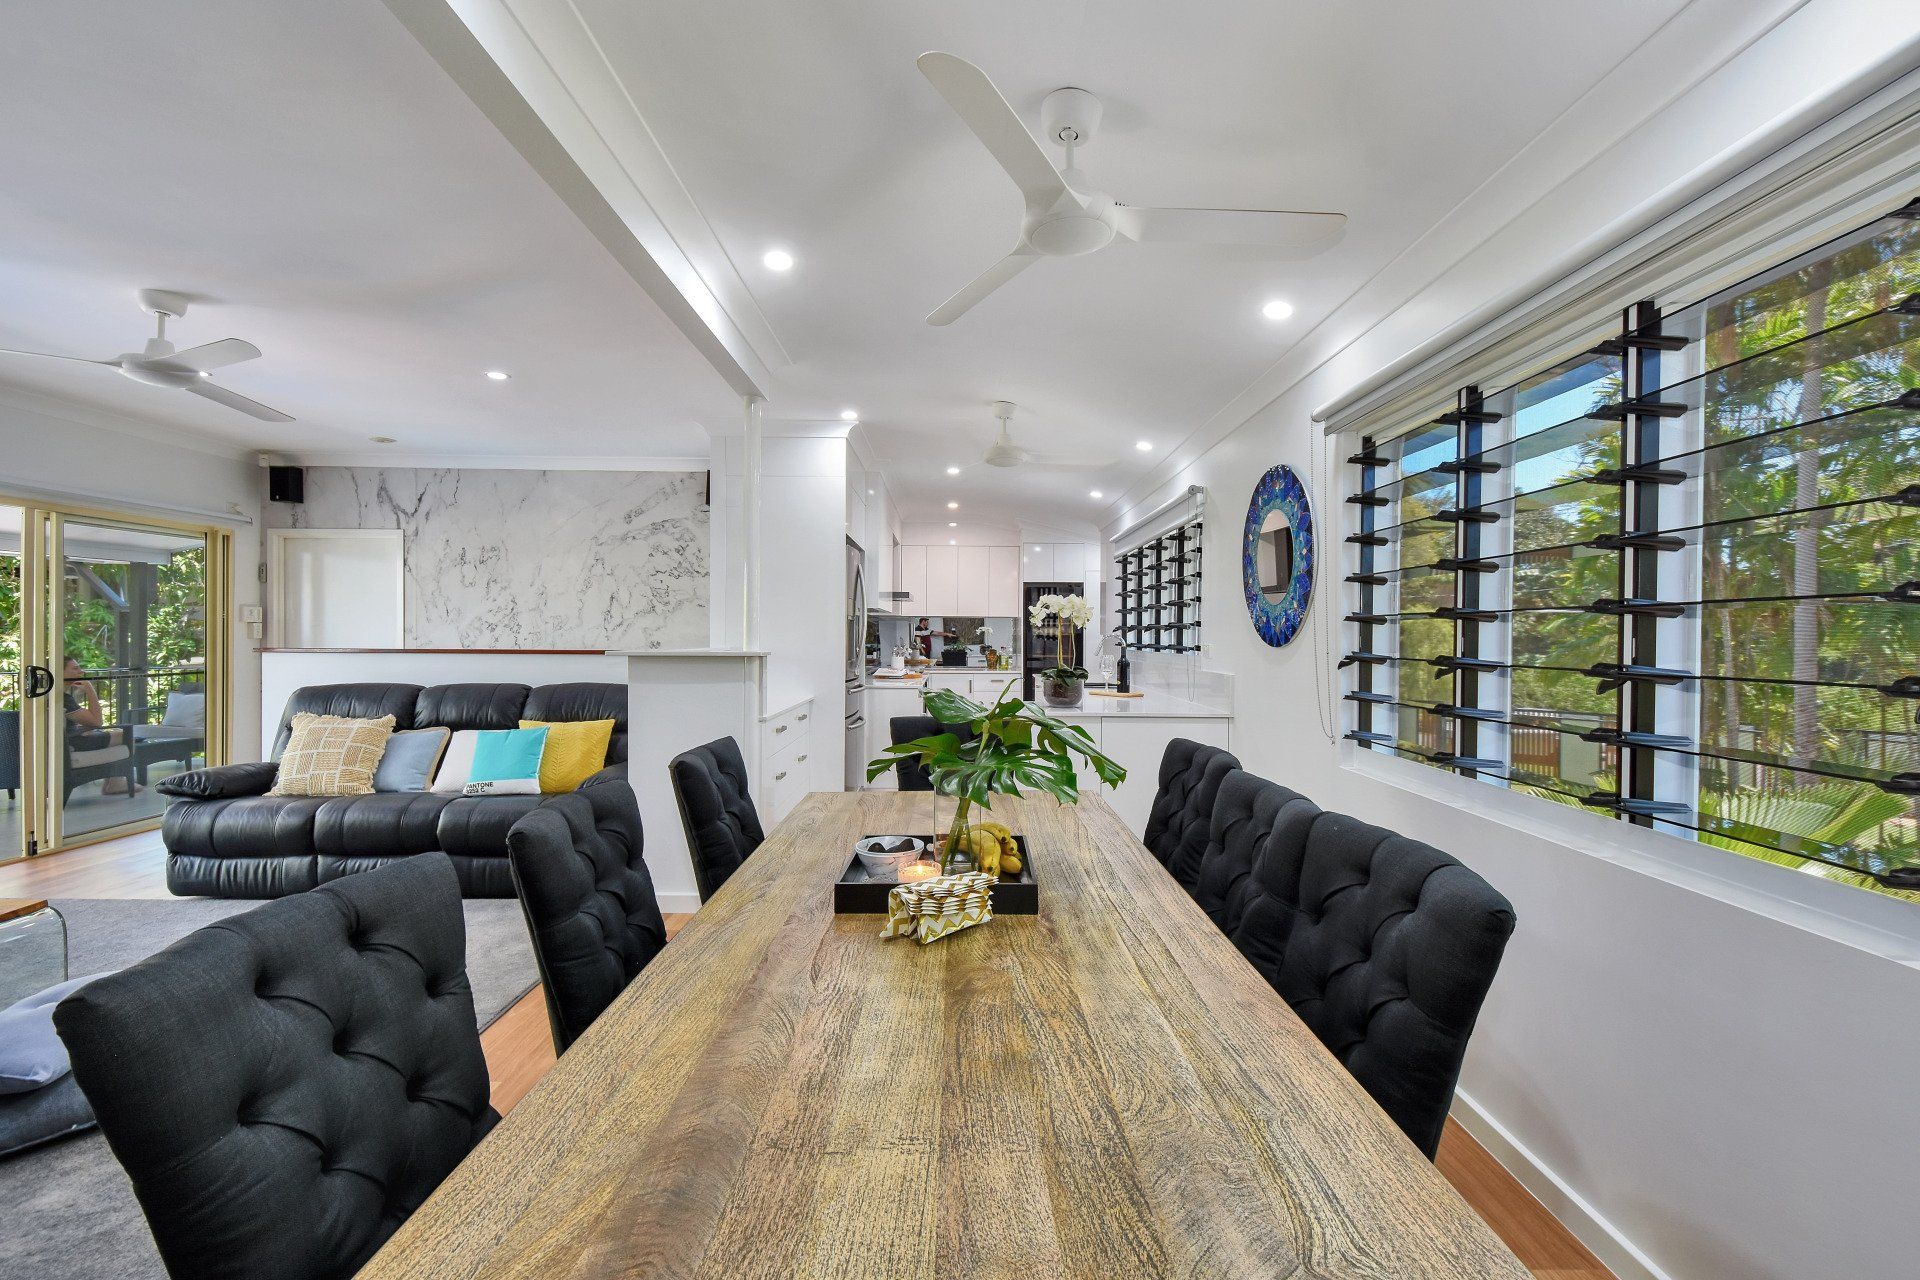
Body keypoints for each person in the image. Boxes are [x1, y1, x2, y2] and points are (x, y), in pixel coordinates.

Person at [64, 658, 138, 796]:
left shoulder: (53, 694)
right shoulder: (63, 698)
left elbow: (80, 721)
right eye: (75, 669)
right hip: (73, 742)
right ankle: (115, 783)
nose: (81, 672)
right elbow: (97, 722)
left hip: (69, 739)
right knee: (126, 735)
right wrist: (91, 690)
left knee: (115, 731)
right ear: (60, 671)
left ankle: (112, 781)